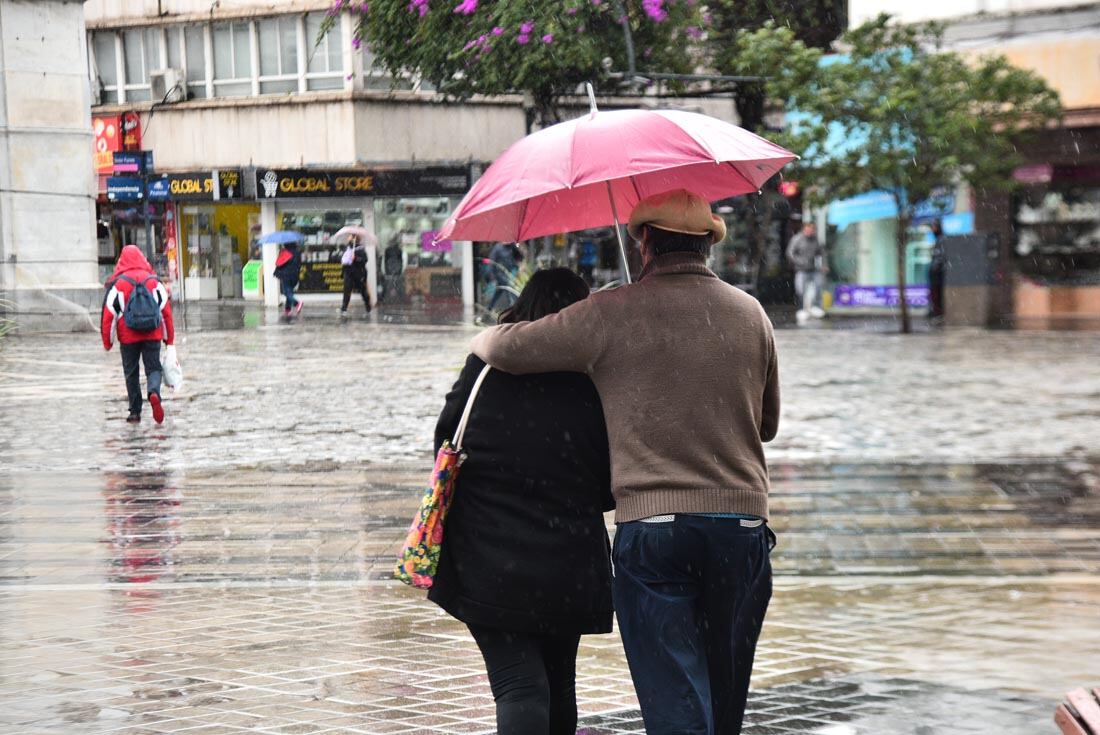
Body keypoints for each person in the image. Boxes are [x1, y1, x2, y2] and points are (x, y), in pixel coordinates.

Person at [471, 189, 780, 735]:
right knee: (724, 696)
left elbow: (508, 350)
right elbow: (768, 424)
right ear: (709, 244)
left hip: (655, 531)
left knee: (675, 698)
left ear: (644, 245)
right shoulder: (751, 313)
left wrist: (485, 333)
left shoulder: (609, 312)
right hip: (741, 528)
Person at [431, 268, 613, 735]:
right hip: (567, 560)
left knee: (519, 686)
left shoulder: (487, 364)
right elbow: (612, 482)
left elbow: (446, 440)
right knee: (558, 682)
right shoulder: (592, 378)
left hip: (488, 558)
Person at [101, 245, 175, 425]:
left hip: (128, 337)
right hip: (152, 333)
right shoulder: (153, 282)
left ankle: (135, 412)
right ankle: (154, 392)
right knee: (153, 367)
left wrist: (108, 342)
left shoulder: (118, 284)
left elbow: (108, 316)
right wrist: (169, 340)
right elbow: (165, 312)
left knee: (131, 372)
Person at [786, 221, 826, 321]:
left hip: (814, 269)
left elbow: (821, 253)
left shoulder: (816, 240)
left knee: (818, 287)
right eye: (808, 229)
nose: (809, 231)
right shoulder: (797, 239)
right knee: (801, 290)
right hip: (801, 269)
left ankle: (816, 307)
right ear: (804, 229)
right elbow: (790, 253)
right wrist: (799, 261)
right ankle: (801, 309)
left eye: (812, 229)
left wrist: (823, 264)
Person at [340, 236, 371, 316]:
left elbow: (365, 260)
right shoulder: (347, 248)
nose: (348, 237)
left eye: (350, 236)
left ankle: (368, 306)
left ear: (354, 238)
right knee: (347, 290)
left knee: (362, 290)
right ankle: (344, 308)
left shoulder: (360, 248)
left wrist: (356, 258)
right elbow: (342, 259)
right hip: (348, 272)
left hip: (358, 273)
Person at [487, 241, 522, 312]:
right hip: (500, 274)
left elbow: (519, 256)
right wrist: (493, 277)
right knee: (509, 289)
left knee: (499, 292)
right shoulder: (497, 248)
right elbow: (492, 263)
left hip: (510, 272)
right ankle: (513, 309)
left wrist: (518, 265)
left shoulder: (512, 246)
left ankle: (489, 308)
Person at [273, 240, 302, 317]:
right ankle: (287, 309)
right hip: (295, 275)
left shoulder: (285, 252)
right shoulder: (297, 252)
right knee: (290, 292)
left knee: (286, 292)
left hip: (286, 275)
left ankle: (297, 303)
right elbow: (299, 265)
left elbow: (279, 263)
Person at [927, 219, 945, 322]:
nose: (932, 229)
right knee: (935, 294)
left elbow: (940, 257)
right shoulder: (938, 240)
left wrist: (935, 268)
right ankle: (936, 312)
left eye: (934, 227)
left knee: (937, 294)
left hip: (937, 275)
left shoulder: (941, 240)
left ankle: (938, 313)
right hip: (935, 274)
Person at [382, 237, 405, 304]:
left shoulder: (387, 250)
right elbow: (401, 261)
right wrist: (400, 271)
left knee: (389, 285)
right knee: (398, 285)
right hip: (397, 270)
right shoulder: (399, 250)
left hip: (389, 270)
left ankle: (388, 299)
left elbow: (385, 262)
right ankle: (399, 299)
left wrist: (386, 271)